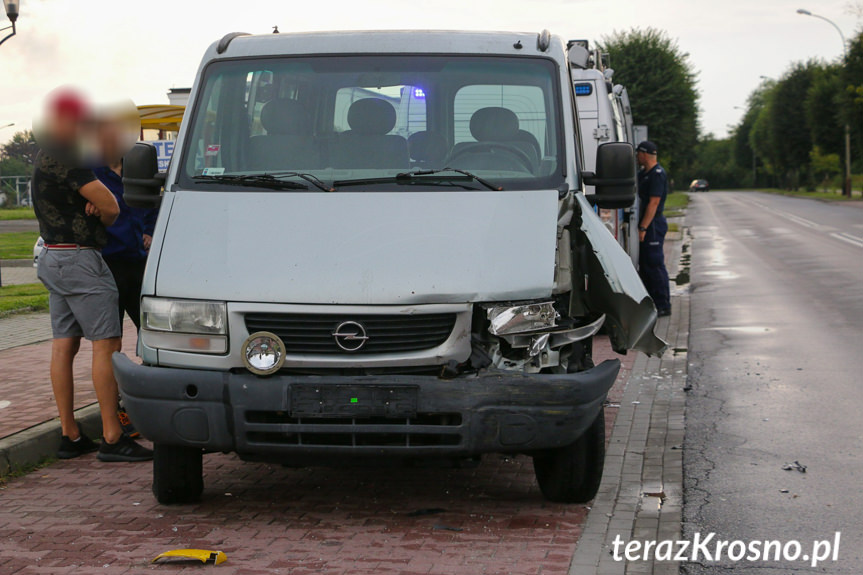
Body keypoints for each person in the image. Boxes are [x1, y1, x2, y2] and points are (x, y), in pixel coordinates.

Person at [32, 88, 153, 462]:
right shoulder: (72, 159)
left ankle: (70, 433)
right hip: (81, 259)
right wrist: (102, 212)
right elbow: (112, 207)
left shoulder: (45, 156)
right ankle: (113, 436)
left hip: (53, 257)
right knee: (107, 344)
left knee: (64, 343)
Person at [635, 141, 671, 317]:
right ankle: (653, 303)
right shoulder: (643, 174)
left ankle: (663, 304)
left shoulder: (657, 174)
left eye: (638, 154)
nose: (636, 157)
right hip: (647, 224)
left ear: (644, 154)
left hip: (653, 225)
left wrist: (643, 227)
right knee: (646, 265)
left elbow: (654, 203)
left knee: (654, 264)